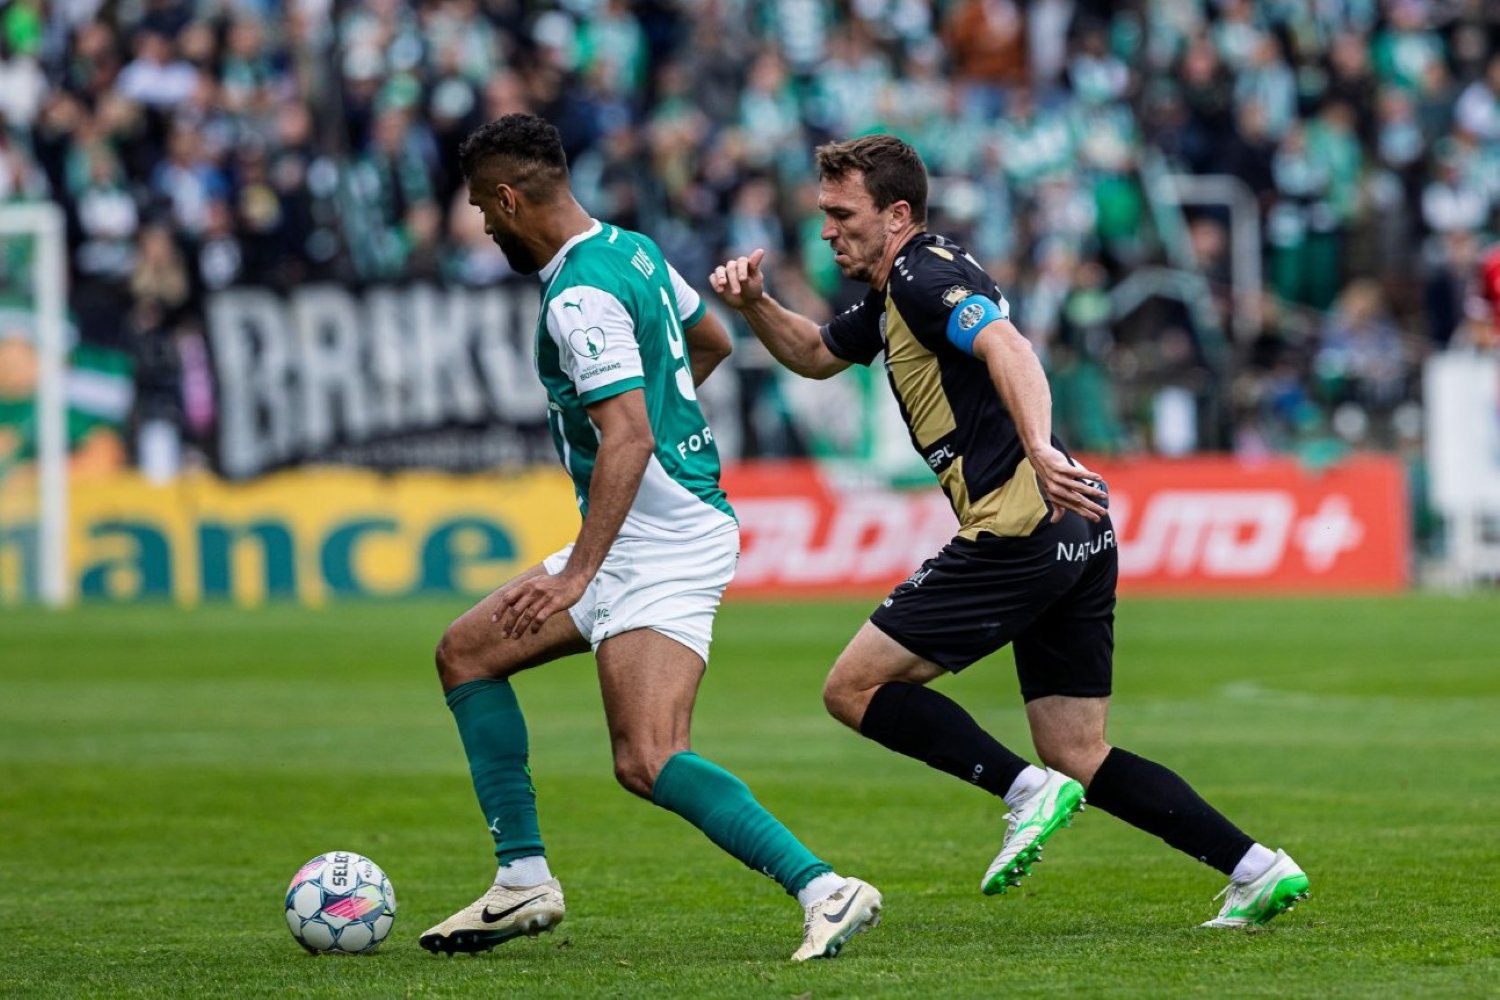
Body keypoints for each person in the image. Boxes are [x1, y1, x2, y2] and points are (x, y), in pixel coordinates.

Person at [708, 133, 1309, 928]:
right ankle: (1256, 869)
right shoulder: (896, 290)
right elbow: (817, 354)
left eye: (842, 214)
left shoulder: (923, 278)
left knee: (852, 689)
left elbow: (1008, 345)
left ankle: (1023, 792)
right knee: (1078, 751)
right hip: (1077, 524)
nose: (827, 231)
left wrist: (1036, 447)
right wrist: (754, 303)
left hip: (1021, 521)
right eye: (824, 213)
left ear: (896, 215)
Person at [420, 114, 881, 961]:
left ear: (510, 199)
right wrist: (660, 418)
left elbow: (628, 437)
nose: (483, 226)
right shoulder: (630, 250)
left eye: (484, 208)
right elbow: (712, 339)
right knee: (467, 654)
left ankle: (826, 888)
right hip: (643, 532)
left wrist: (576, 573)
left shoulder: (578, 298)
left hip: (661, 543)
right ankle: (522, 879)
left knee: (649, 757)